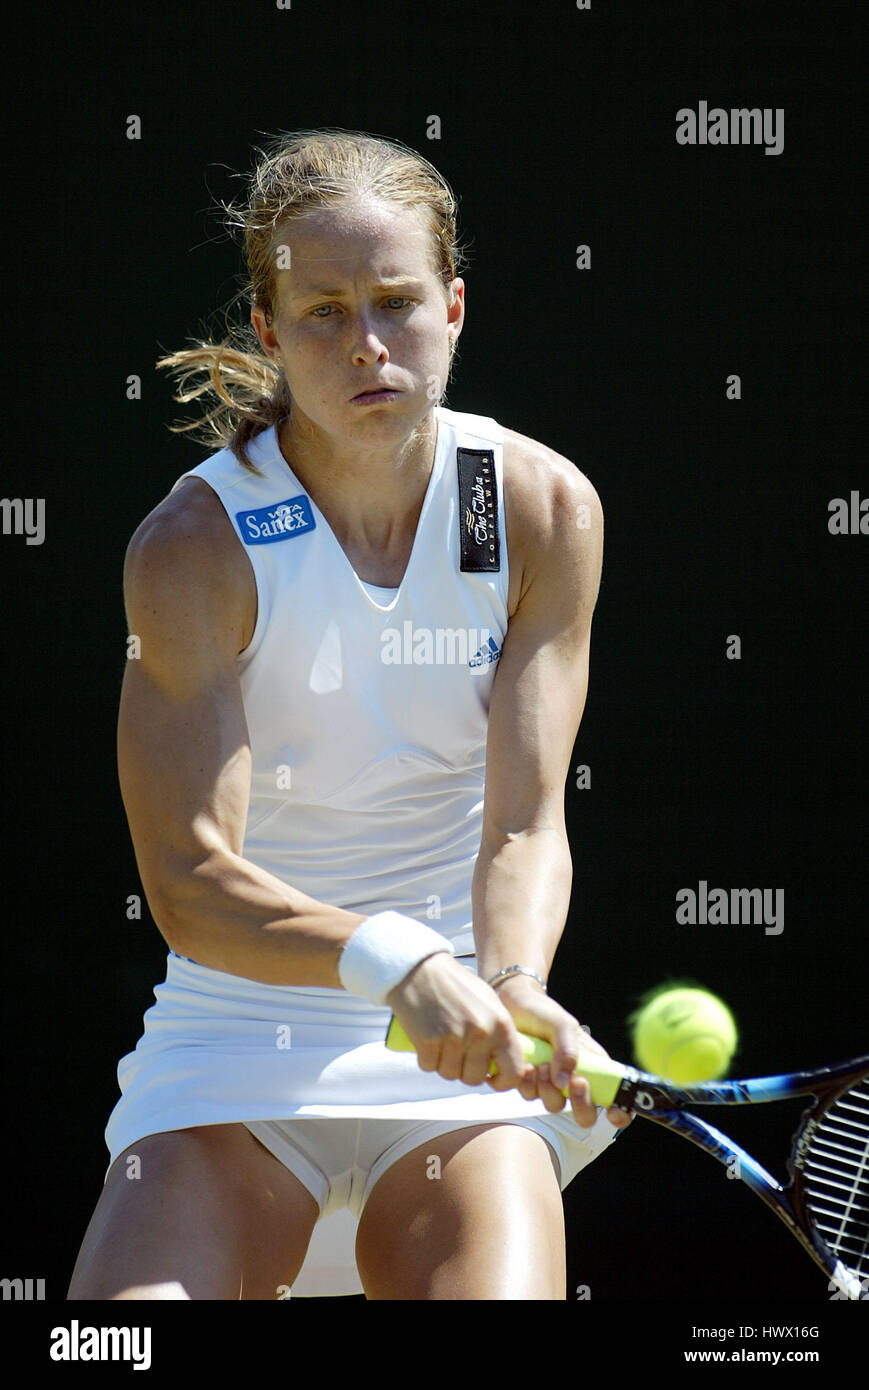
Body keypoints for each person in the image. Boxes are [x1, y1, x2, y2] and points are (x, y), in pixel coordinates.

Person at [67, 128, 631, 1303]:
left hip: (454, 1055)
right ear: (268, 331)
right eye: (322, 312)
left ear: (455, 306)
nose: (367, 344)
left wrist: (514, 983)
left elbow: (524, 824)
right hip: (234, 1046)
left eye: (396, 301)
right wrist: (394, 960)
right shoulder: (193, 547)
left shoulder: (536, 509)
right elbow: (187, 880)